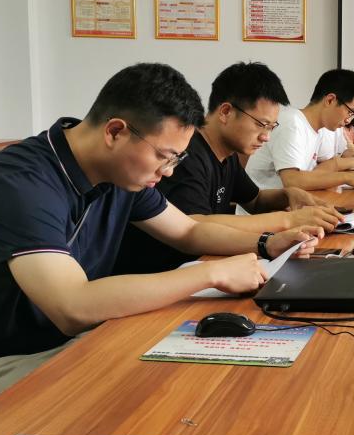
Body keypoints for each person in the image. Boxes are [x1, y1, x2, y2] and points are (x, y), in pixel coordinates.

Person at [0, 63, 320, 417]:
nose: (169, 172)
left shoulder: (119, 176)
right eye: (165, 156)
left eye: (177, 160)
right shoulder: (21, 183)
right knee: (157, 400)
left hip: (69, 342)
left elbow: (187, 231)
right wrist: (211, 274)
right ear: (115, 131)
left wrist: (267, 244)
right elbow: (72, 306)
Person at [114, 62, 342, 275]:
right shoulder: (186, 155)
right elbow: (195, 223)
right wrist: (287, 221)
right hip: (166, 272)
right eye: (261, 124)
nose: (266, 136)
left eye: (272, 127)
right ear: (225, 112)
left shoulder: (228, 155)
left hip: (202, 265)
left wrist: (287, 196)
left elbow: (252, 201)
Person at [246, 68, 354, 191]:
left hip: (291, 205)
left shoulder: (318, 130)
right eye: (350, 112)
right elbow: (292, 181)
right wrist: (347, 177)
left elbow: (315, 173)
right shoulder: (292, 122)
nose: (349, 120)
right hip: (266, 209)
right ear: (330, 100)